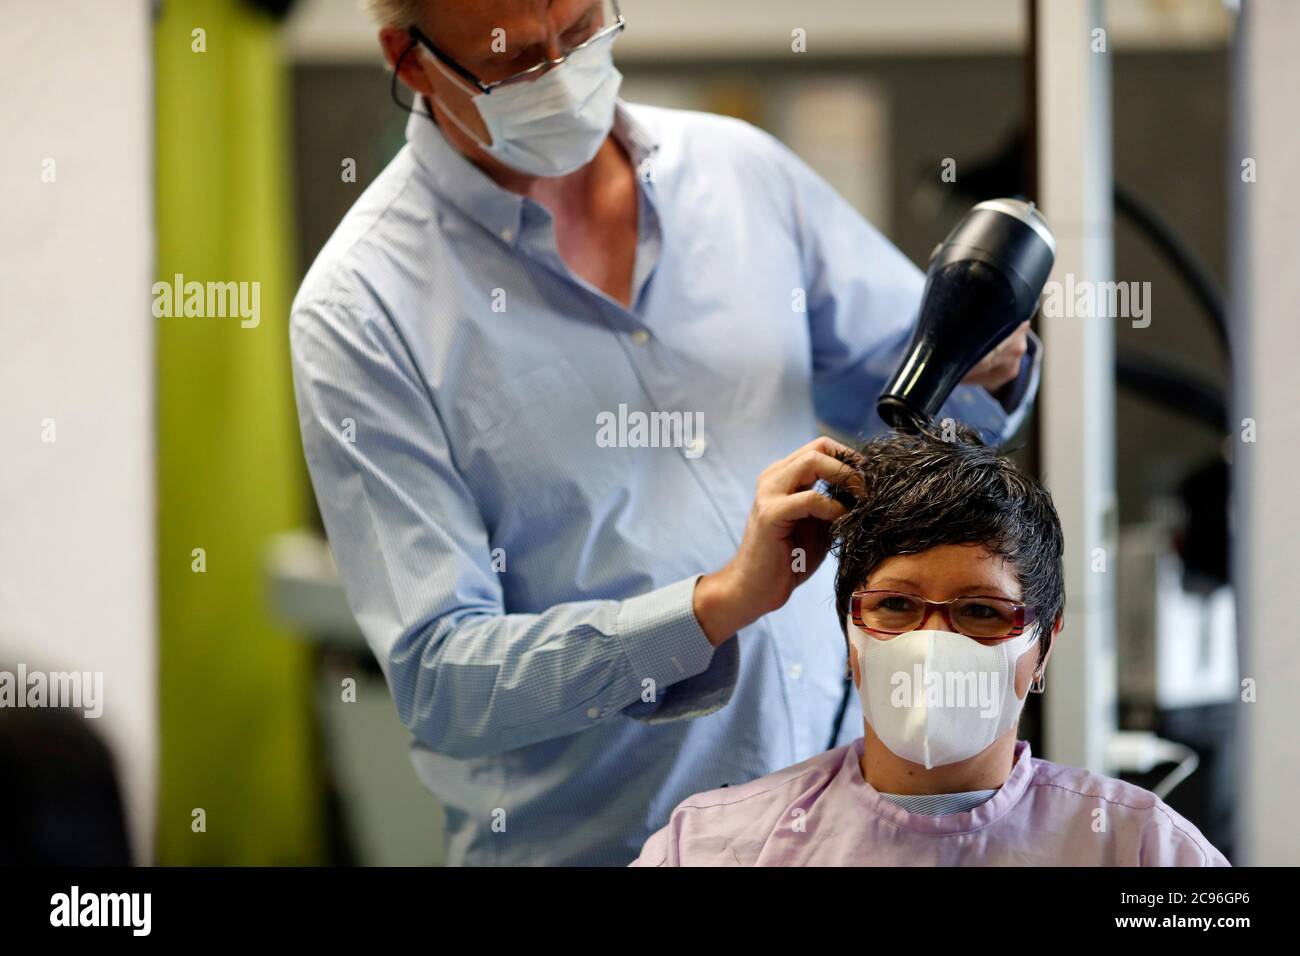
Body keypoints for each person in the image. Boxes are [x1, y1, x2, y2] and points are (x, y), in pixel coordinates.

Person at [290, 0, 1040, 865]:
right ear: (411, 60)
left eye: (580, 32)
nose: (562, 76)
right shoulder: (363, 309)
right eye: (519, 60)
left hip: (842, 827)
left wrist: (991, 364)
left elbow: (925, 384)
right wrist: (715, 606)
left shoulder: (742, 176)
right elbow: (445, 681)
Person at [631, 424, 1230, 866]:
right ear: (849, 636)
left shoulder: (1145, 850)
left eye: (980, 612)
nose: (931, 643)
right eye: (895, 605)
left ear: (1043, 645)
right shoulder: (713, 848)